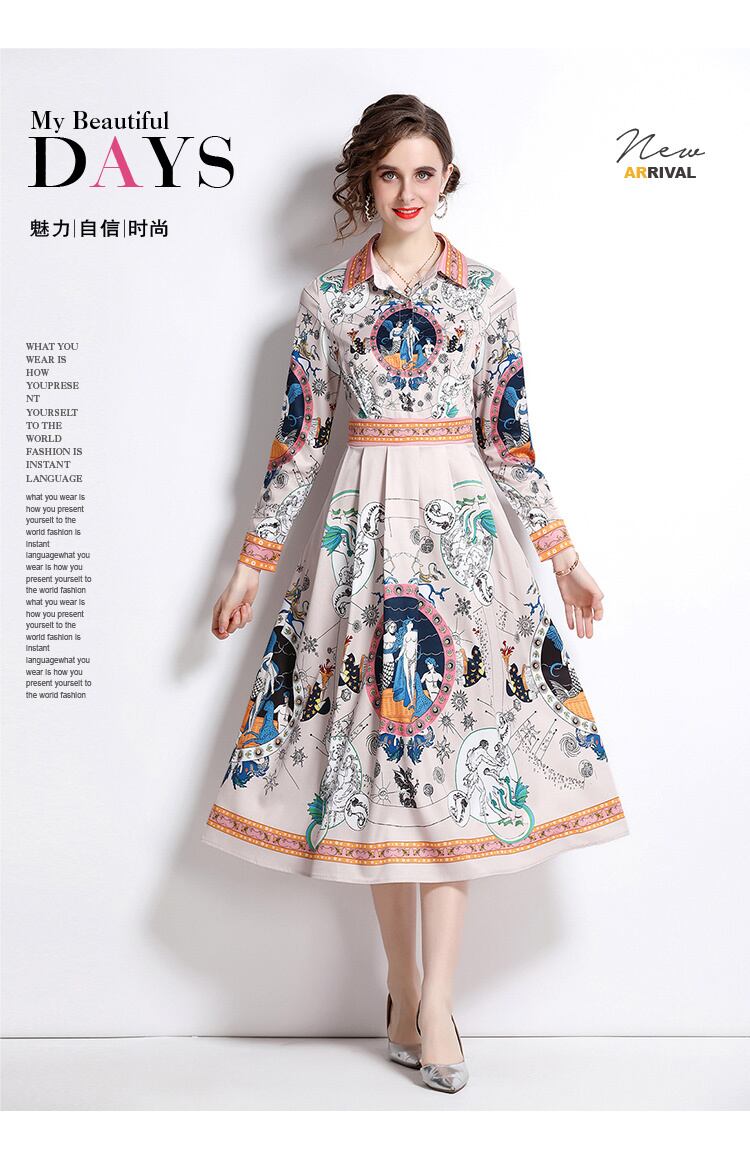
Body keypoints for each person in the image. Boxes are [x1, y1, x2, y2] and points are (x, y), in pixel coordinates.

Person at [205, 94, 630, 1094]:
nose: (407, 192)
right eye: (390, 173)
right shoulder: (328, 300)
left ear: (448, 179)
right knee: (378, 773)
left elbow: (510, 440)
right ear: (367, 178)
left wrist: (564, 555)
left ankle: (435, 1005)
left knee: (455, 776)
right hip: (359, 545)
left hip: (465, 551)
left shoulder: (486, 294)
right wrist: (251, 563)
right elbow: (298, 445)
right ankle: (402, 987)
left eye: (424, 173)